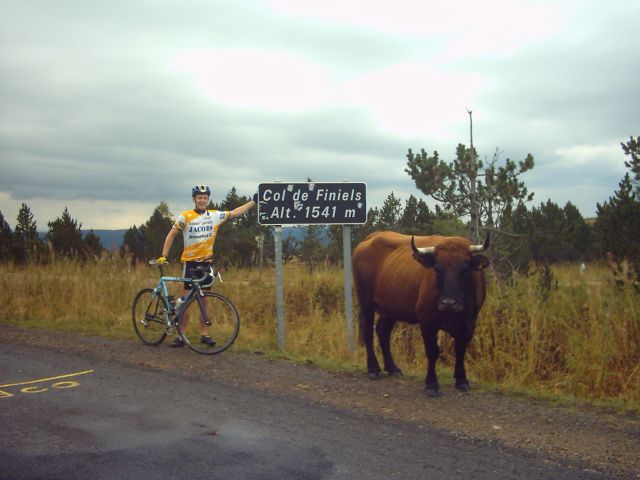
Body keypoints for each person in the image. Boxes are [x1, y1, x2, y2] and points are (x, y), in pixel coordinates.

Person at [158, 184, 257, 347]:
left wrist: (253, 201)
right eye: (199, 198)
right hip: (190, 264)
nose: (202, 200)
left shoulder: (214, 215)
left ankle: (204, 334)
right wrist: (164, 255)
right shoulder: (186, 216)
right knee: (185, 301)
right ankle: (180, 335)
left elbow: (234, 213)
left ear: (208, 199)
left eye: (204, 198)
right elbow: (172, 234)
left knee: (205, 301)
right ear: (194, 199)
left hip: (206, 265)